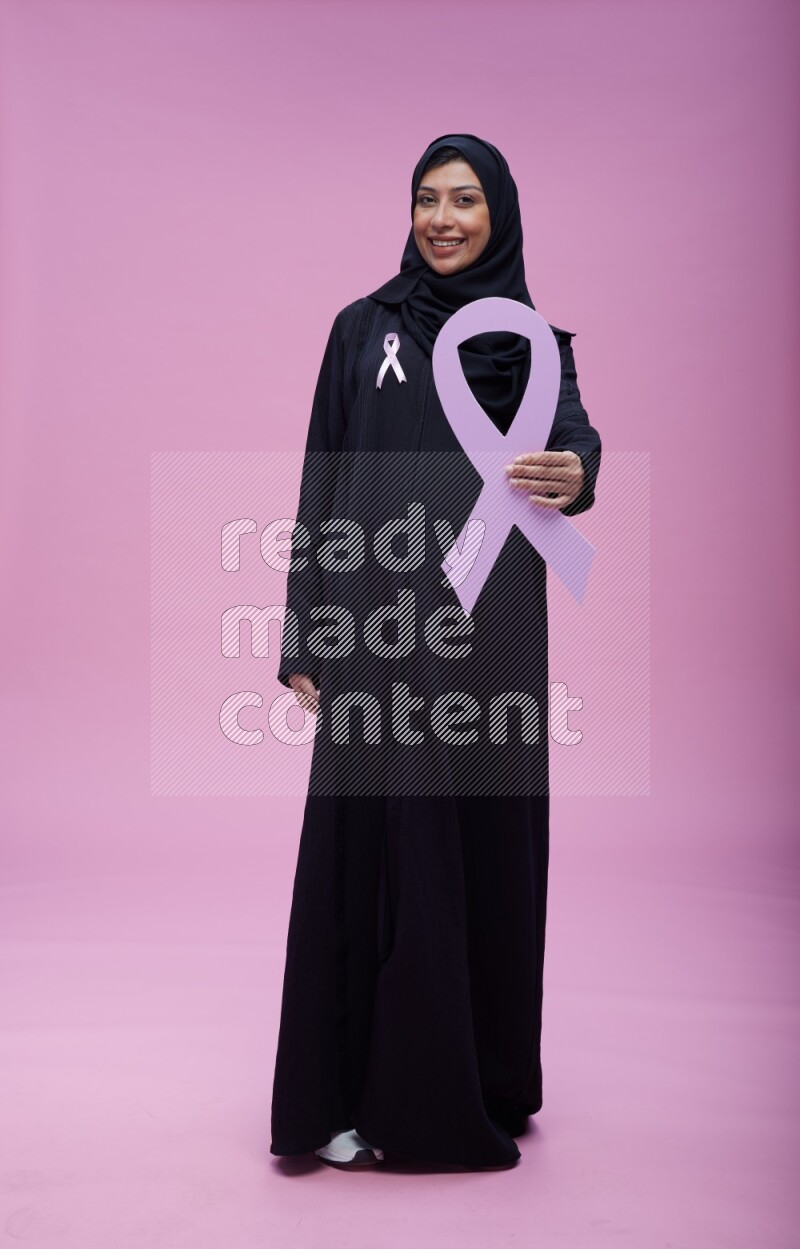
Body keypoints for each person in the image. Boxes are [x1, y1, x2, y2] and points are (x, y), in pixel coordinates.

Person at [270, 133, 602, 1170]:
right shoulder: (358, 328)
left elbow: (574, 446)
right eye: (425, 198)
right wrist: (304, 629)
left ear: (498, 214)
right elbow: (321, 480)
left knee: (479, 851)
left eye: (464, 200)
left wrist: (573, 474)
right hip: (370, 633)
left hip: (485, 643)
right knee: (365, 851)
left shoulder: (535, 344)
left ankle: (480, 1082)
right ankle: (341, 1090)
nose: (442, 219)